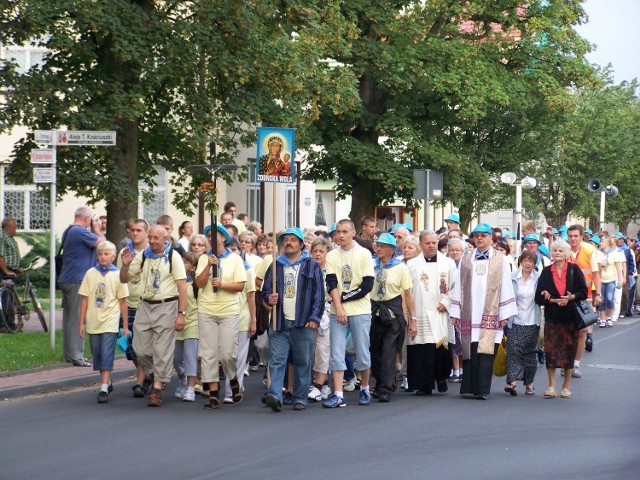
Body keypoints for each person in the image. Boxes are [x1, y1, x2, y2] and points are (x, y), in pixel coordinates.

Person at [119, 225, 188, 407]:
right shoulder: (143, 256)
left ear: (166, 239)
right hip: (144, 306)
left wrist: (181, 314)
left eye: (156, 238)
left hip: (166, 306)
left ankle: (156, 389)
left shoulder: (174, 257)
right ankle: (155, 374)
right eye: (150, 237)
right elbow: (124, 279)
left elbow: (182, 287)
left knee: (162, 349)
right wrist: (125, 266)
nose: (152, 240)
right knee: (140, 350)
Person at [449, 223, 518, 399]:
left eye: (483, 235)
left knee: (486, 352)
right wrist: (456, 312)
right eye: (477, 235)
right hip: (469, 313)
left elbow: (506, 286)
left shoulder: (500, 260)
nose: (479, 238)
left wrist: (504, 314)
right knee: (470, 351)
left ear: (491, 239)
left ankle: (482, 389)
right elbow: (459, 286)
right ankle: (469, 387)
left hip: (491, 313)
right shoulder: (466, 259)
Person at [261, 227, 324, 412]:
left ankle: (300, 396)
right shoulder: (275, 265)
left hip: (303, 321)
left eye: (293, 239)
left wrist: (315, 317)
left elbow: (319, 294)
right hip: (279, 321)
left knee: (303, 361)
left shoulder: (311, 265)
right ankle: (275, 395)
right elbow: (265, 291)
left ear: (301, 244)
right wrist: (268, 298)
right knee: (277, 359)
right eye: (285, 240)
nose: (289, 242)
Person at [323, 219, 375, 408]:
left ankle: (365, 388)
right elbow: (331, 282)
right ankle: (338, 393)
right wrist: (338, 307)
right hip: (337, 310)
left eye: (345, 231)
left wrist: (342, 301)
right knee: (336, 352)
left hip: (360, 310)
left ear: (353, 233)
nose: (341, 235)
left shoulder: (364, 254)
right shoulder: (332, 255)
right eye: (338, 232)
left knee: (362, 352)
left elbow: (366, 286)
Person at [195, 224, 247, 410]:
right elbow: (199, 283)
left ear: (224, 238)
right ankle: (214, 394)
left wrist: (223, 284)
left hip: (228, 310)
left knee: (226, 352)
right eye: (208, 235)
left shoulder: (234, 259)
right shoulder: (204, 259)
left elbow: (241, 286)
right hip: (207, 309)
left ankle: (233, 377)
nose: (210, 238)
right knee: (208, 353)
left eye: (214, 235)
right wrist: (208, 265)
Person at [535, 239, 588, 399]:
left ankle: (566, 386)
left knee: (568, 350)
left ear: (566, 253)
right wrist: (551, 299)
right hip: (552, 317)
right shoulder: (546, 272)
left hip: (570, 316)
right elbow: (538, 296)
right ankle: (551, 386)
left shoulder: (574, 269)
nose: (557, 253)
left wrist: (571, 297)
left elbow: (583, 292)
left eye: (560, 251)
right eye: (555, 250)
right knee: (550, 350)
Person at [406, 231, 456, 395]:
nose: (432, 245)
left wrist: (446, 302)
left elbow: (456, 287)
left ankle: (441, 379)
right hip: (420, 312)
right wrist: (410, 317)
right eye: (427, 243)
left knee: (441, 349)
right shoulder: (412, 264)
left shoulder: (448, 263)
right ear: (421, 245)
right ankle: (424, 384)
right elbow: (408, 291)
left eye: (434, 242)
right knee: (422, 350)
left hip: (441, 312)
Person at [78, 241, 129, 403]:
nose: (102, 257)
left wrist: (125, 325)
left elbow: (123, 302)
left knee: (107, 353)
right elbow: (85, 299)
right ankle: (107, 382)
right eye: (100, 254)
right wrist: (81, 322)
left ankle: (104, 389)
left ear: (113, 256)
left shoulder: (118, 274)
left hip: (110, 320)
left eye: (106, 254)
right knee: (98, 355)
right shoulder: (90, 273)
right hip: (93, 320)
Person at [368, 233, 414, 402]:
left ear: (391, 250)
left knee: (388, 351)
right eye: (377, 245)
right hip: (374, 311)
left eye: (382, 246)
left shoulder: (400, 267)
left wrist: (412, 319)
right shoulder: (371, 265)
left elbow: (408, 294)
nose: (378, 249)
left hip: (393, 313)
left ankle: (385, 388)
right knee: (374, 351)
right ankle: (380, 382)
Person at [59, 206, 105, 367]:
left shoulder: (69, 230)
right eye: (92, 219)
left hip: (70, 279)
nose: (93, 221)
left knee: (70, 319)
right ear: (86, 219)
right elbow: (104, 247)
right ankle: (77, 356)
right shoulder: (80, 231)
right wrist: (98, 229)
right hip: (76, 280)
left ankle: (71, 354)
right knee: (77, 319)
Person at [115, 219, 150, 397]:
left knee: (142, 345)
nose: (135, 233)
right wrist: (126, 264)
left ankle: (140, 382)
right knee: (129, 348)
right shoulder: (125, 252)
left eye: (139, 230)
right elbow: (122, 279)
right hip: (127, 303)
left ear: (146, 232)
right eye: (133, 230)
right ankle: (146, 373)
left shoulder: (152, 252)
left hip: (146, 304)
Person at [222, 238, 257, 404]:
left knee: (240, 356)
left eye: (235, 249)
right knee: (227, 354)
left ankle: (233, 389)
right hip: (224, 316)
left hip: (242, 317)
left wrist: (253, 320)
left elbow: (251, 297)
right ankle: (231, 384)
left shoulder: (248, 270)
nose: (233, 252)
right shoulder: (222, 270)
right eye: (230, 249)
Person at [504, 250, 541, 396]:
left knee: (530, 353)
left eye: (530, 261)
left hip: (532, 320)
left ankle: (529, 384)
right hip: (515, 320)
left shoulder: (538, 278)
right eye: (525, 260)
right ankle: (512, 382)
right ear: (520, 261)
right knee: (513, 351)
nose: (527, 264)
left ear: (534, 263)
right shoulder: (512, 277)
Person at [566, 224, 601, 377]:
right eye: (570, 236)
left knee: (581, 332)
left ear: (581, 236)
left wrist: (598, 294)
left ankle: (576, 365)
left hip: (584, 297)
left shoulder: (589, 251)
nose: (573, 239)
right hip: (566, 297)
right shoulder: (563, 250)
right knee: (567, 331)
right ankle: (566, 362)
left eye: (576, 236)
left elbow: (595, 273)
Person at [307, 237, 333, 402]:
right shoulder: (307, 269)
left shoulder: (330, 271)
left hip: (327, 313)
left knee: (323, 350)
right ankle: (322, 383)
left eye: (321, 251)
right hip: (309, 313)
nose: (318, 254)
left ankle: (317, 385)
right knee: (311, 350)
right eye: (315, 251)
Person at [173, 252, 200, 402]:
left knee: (190, 356)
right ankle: (182, 378)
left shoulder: (195, 284)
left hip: (193, 322)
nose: (182, 265)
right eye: (181, 261)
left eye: (186, 262)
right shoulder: (173, 281)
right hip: (175, 323)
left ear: (193, 267)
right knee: (175, 357)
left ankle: (190, 388)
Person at [446, 238, 466, 383]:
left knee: (463, 339)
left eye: (457, 250)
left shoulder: (467, 265)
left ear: (463, 251)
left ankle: (463, 368)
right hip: (449, 305)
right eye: (452, 250)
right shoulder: (445, 265)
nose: (454, 253)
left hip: (465, 307)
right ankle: (455, 369)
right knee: (453, 339)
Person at [598, 236, 621, 328]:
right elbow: (595, 266)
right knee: (601, 300)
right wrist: (600, 264)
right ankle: (603, 319)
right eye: (601, 241)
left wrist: (620, 279)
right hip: (601, 280)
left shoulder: (614, 253)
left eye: (602, 241)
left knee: (610, 299)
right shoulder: (599, 253)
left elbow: (618, 267)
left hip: (611, 279)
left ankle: (609, 317)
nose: (601, 243)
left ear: (607, 243)